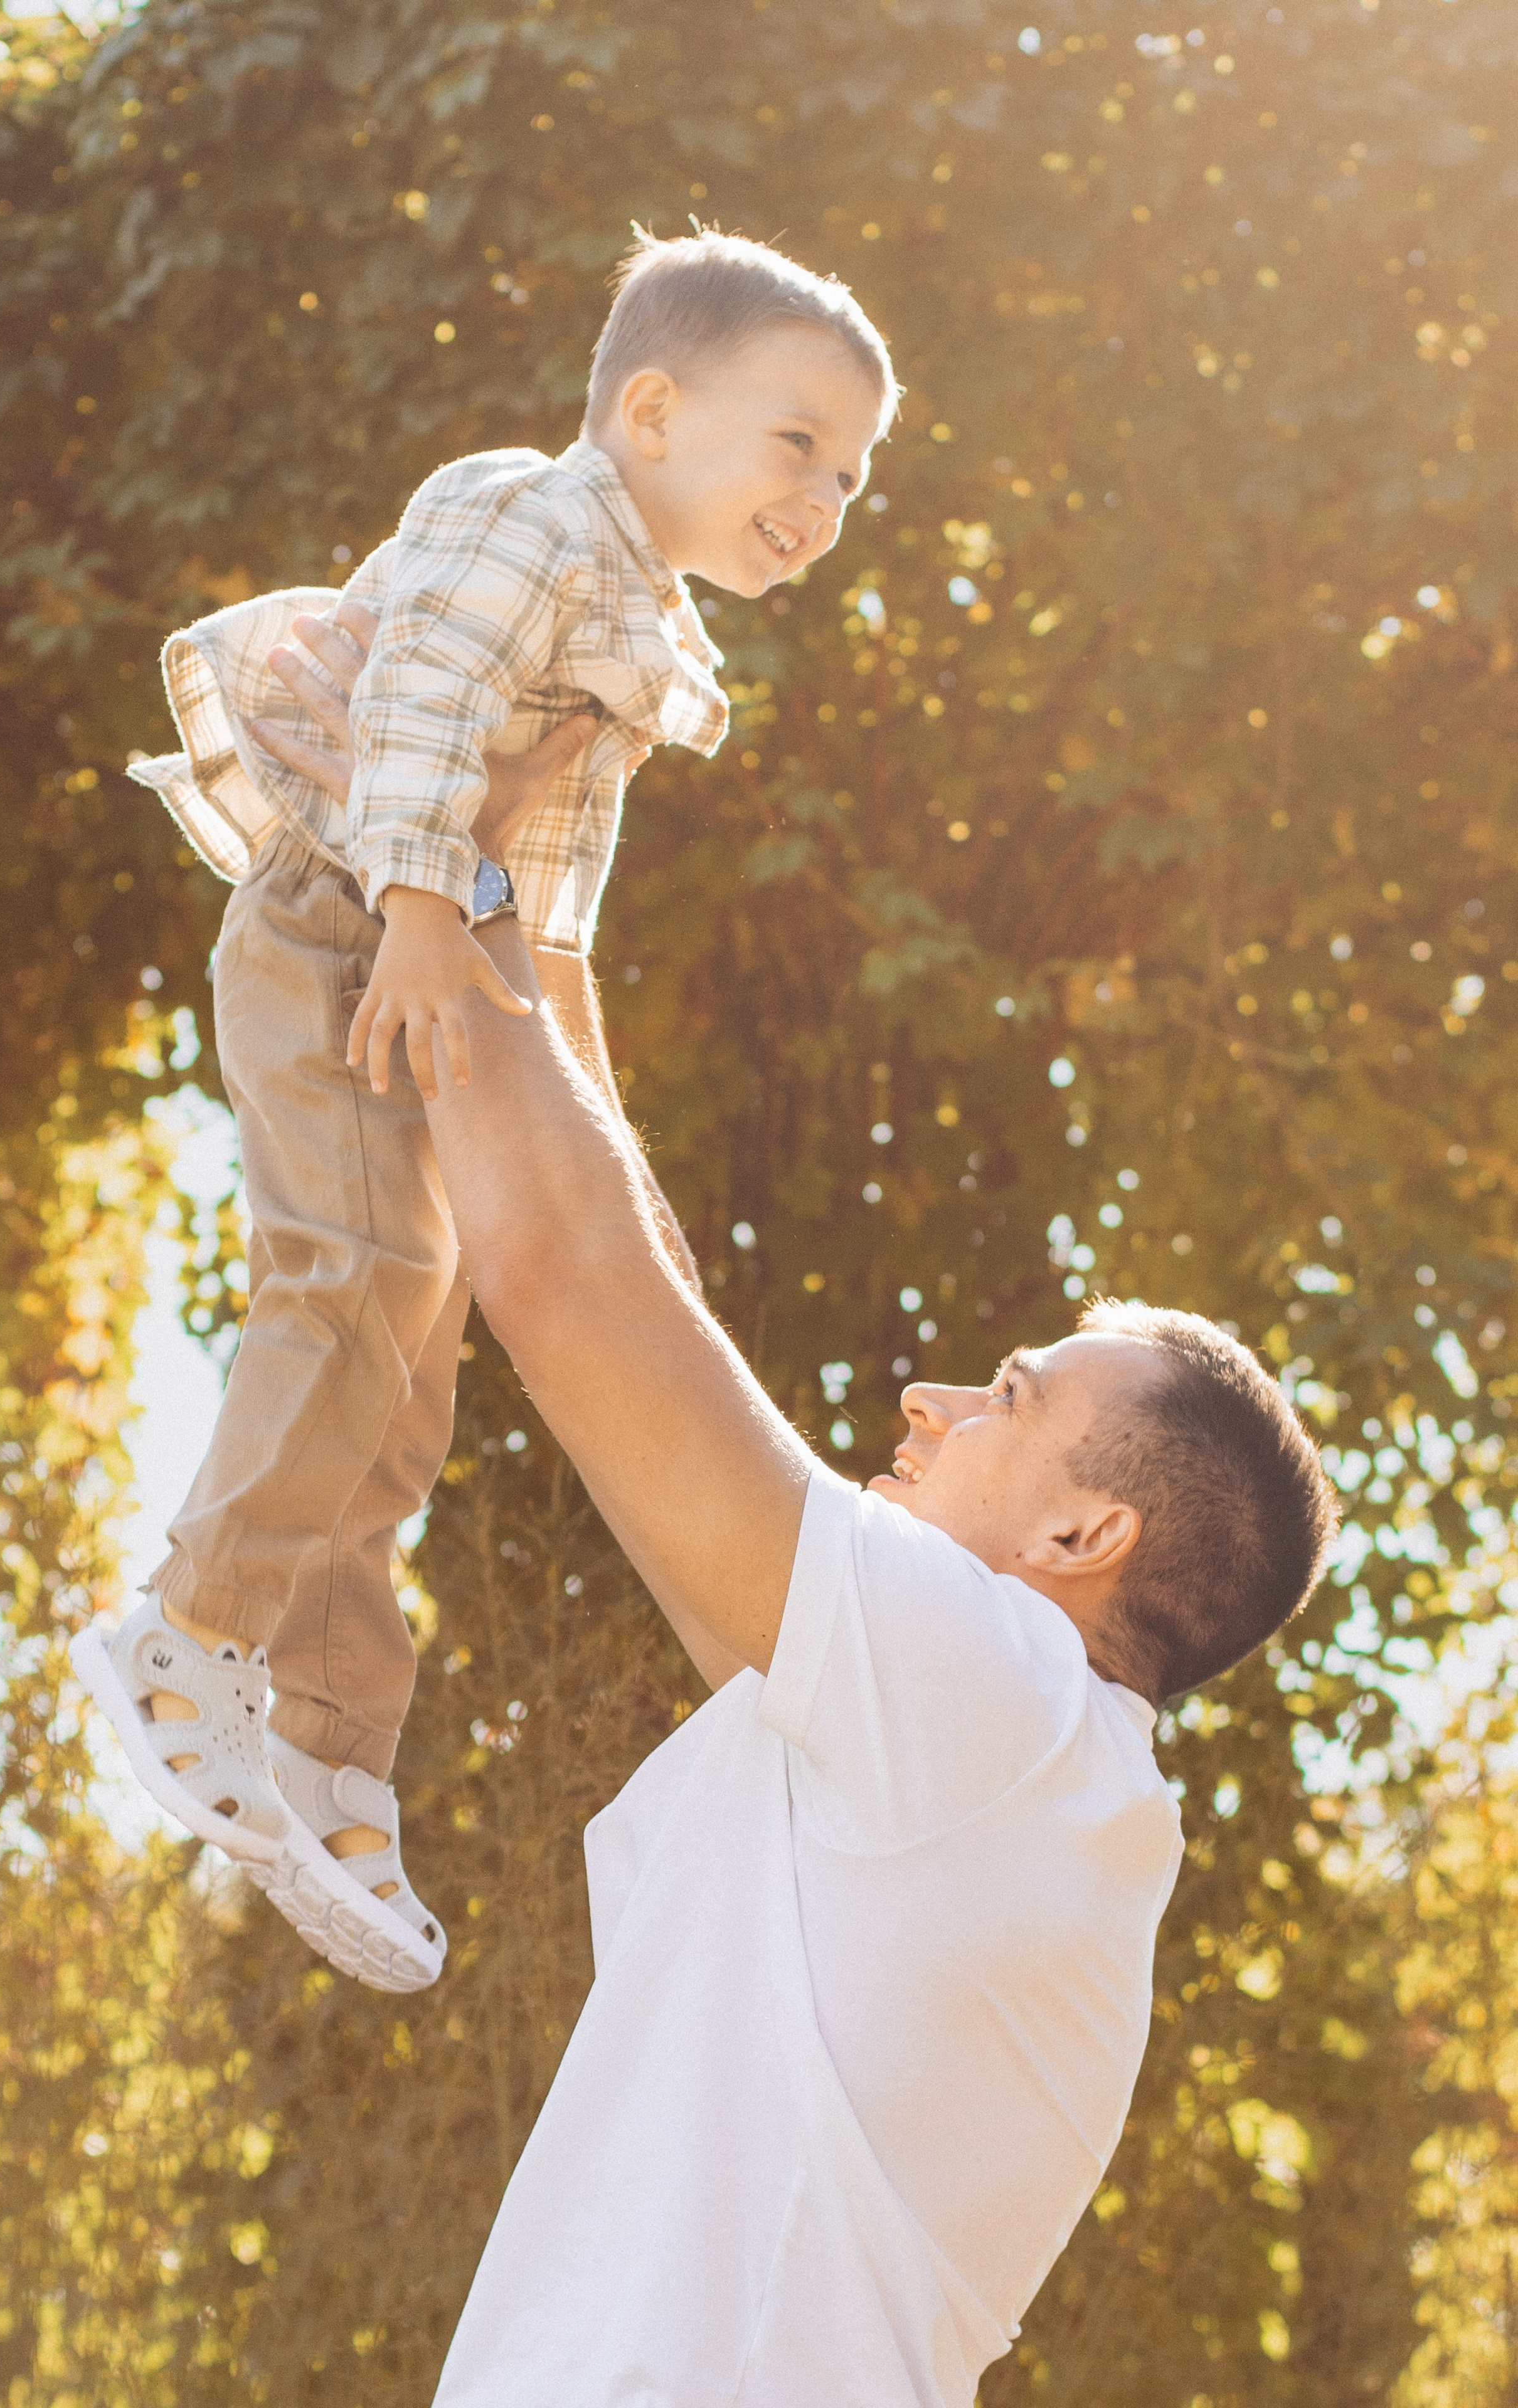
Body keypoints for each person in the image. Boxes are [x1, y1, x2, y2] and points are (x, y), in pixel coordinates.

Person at [248, 647, 1339, 2403]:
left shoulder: (1005, 1716)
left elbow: (569, 1288)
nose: (932, 1402)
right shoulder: (976, 1764)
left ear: (1085, 1539)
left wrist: (433, 851)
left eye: (1009, 1391)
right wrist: (548, 906)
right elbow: (650, 1299)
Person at [71, 229, 897, 1994]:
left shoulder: (644, 635)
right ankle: (187, 1636)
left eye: (854, 476)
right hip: (340, 925)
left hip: (421, 938)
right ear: (655, 409)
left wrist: (605, 1141)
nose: (827, 496)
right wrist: (426, 916)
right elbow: (424, 690)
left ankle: (329, 1741)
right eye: (799, 444)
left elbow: (559, 892)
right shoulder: (533, 514)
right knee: (356, 1280)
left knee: (408, 1349)